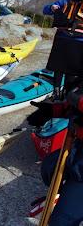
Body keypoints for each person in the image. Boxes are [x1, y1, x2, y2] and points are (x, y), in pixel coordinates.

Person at [27, 85, 83, 226]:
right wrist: (52, 110)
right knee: (50, 167)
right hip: (79, 151)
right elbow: (73, 106)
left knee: (62, 220)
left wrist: (79, 101)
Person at [42, 0, 83, 100]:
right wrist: (52, 8)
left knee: (71, 72)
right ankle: (56, 92)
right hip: (62, 40)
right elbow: (45, 10)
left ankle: (67, 94)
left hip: (78, 42)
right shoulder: (65, 2)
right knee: (58, 69)